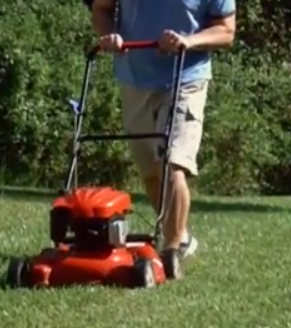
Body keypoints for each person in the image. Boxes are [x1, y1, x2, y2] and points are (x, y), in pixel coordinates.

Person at [89, 0, 236, 261]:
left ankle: (171, 250)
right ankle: (182, 236)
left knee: (172, 164)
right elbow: (101, 8)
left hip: (186, 76)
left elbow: (226, 30)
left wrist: (189, 41)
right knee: (152, 173)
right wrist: (108, 36)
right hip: (134, 78)